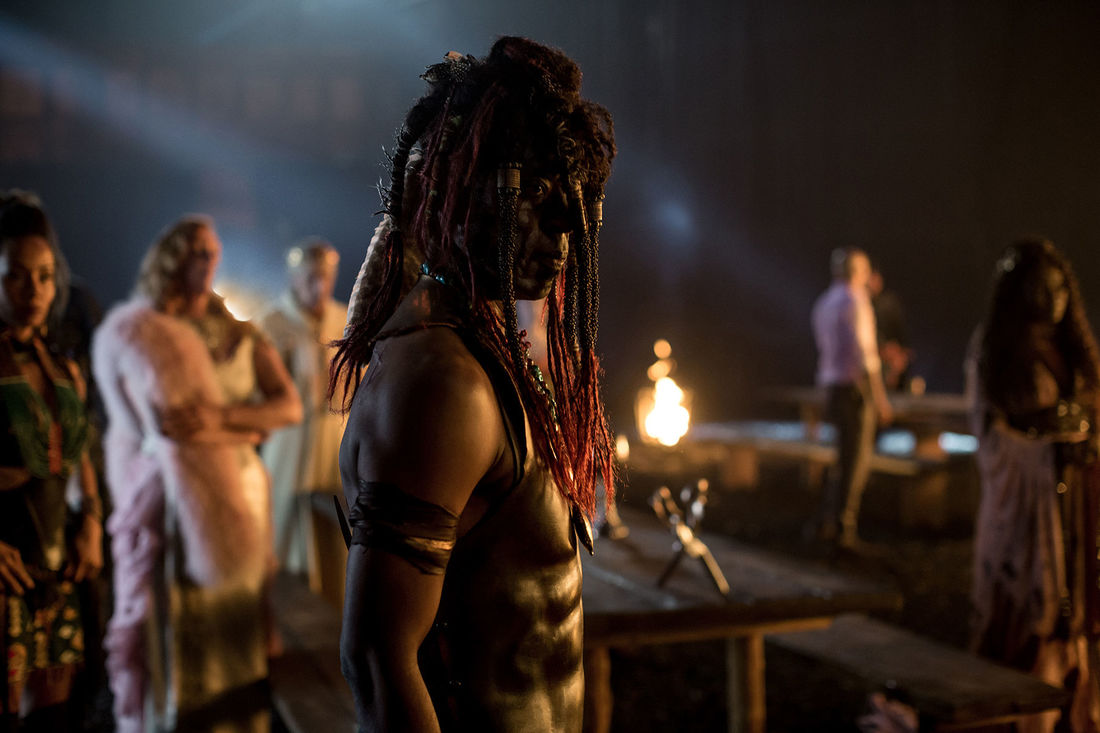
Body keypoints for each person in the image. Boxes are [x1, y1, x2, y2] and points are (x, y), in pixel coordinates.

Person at [334, 37, 616, 731]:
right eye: (533, 192)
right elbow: (377, 658)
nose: (562, 230)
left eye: (569, 198)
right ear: (456, 193)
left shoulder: (484, 351)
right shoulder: (442, 382)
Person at [94, 215, 302, 733]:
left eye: (213, 252)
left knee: (235, 611)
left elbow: (289, 406)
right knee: (177, 610)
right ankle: (175, 717)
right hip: (170, 489)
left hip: (240, 486)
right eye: (196, 252)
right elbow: (129, 424)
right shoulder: (145, 332)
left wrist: (222, 418)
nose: (208, 262)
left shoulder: (241, 333)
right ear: (171, 260)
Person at [968, 238, 1100, 733]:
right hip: (1025, 511)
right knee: (1027, 612)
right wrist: (1047, 451)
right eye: (1043, 288)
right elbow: (991, 433)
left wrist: (1085, 440)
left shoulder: (1071, 348)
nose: (1054, 299)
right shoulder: (997, 349)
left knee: (1074, 608)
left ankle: (1071, 707)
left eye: (1061, 288)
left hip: (1074, 502)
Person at [0, 191, 102, 731]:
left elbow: (77, 454)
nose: (33, 290)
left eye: (43, 277)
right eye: (16, 277)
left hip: (58, 573)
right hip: (4, 570)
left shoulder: (65, 370)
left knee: (57, 719)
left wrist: (91, 520)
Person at [259, 239, 347, 589]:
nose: (320, 287)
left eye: (326, 277)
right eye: (311, 277)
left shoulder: (345, 319)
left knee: (335, 536)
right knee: (283, 534)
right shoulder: (273, 323)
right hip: (290, 444)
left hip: (335, 441)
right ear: (295, 278)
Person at [809, 247, 892, 549]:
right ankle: (845, 529)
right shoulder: (856, 301)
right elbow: (866, 355)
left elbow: (824, 349)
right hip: (855, 390)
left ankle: (827, 522)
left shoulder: (824, 302)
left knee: (841, 457)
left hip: (832, 388)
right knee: (855, 461)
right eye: (866, 269)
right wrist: (880, 398)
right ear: (858, 272)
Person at [868, 266, 913, 393]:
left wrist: (900, 352)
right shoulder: (860, 304)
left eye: (875, 278)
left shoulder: (889, 303)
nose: (873, 283)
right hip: (873, 357)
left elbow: (900, 330)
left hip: (892, 353)